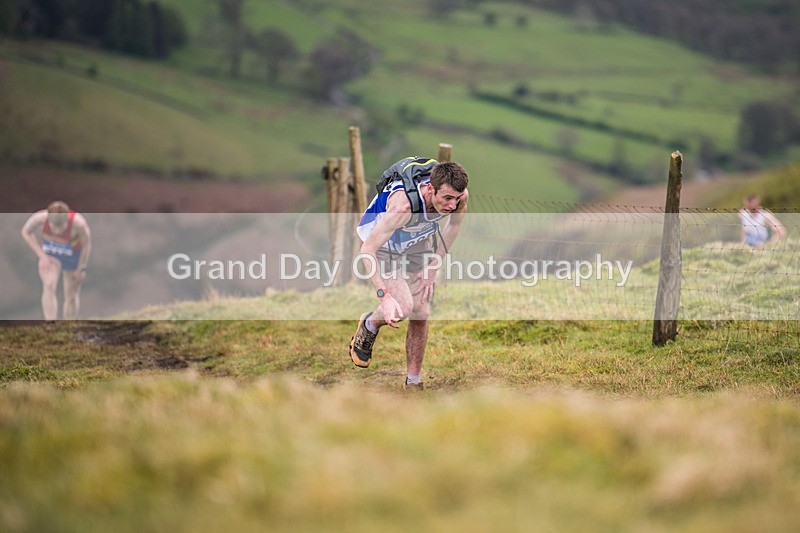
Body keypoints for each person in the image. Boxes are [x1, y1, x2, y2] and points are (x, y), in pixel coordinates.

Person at [348, 157, 470, 390]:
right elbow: (367, 251)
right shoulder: (402, 207)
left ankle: (413, 382)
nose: (452, 205)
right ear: (430, 189)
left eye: (456, 199)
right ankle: (369, 324)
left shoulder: (459, 196)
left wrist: (433, 265)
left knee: (421, 312)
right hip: (382, 243)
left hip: (417, 238)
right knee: (403, 307)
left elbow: (454, 225)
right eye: (447, 198)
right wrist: (384, 297)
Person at [20, 201, 92, 320]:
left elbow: (87, 244)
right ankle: (51, 324)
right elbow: (26, 232)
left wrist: (81, 268)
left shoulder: (79, 224)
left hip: (72, 255)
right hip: (50, 254)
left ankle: (69, 325)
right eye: (54, 227)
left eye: (61, 227)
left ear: (67, 220)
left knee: (71, 294)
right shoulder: (39, 218)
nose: (57, 231)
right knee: (49, 285)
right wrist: (42, 255)